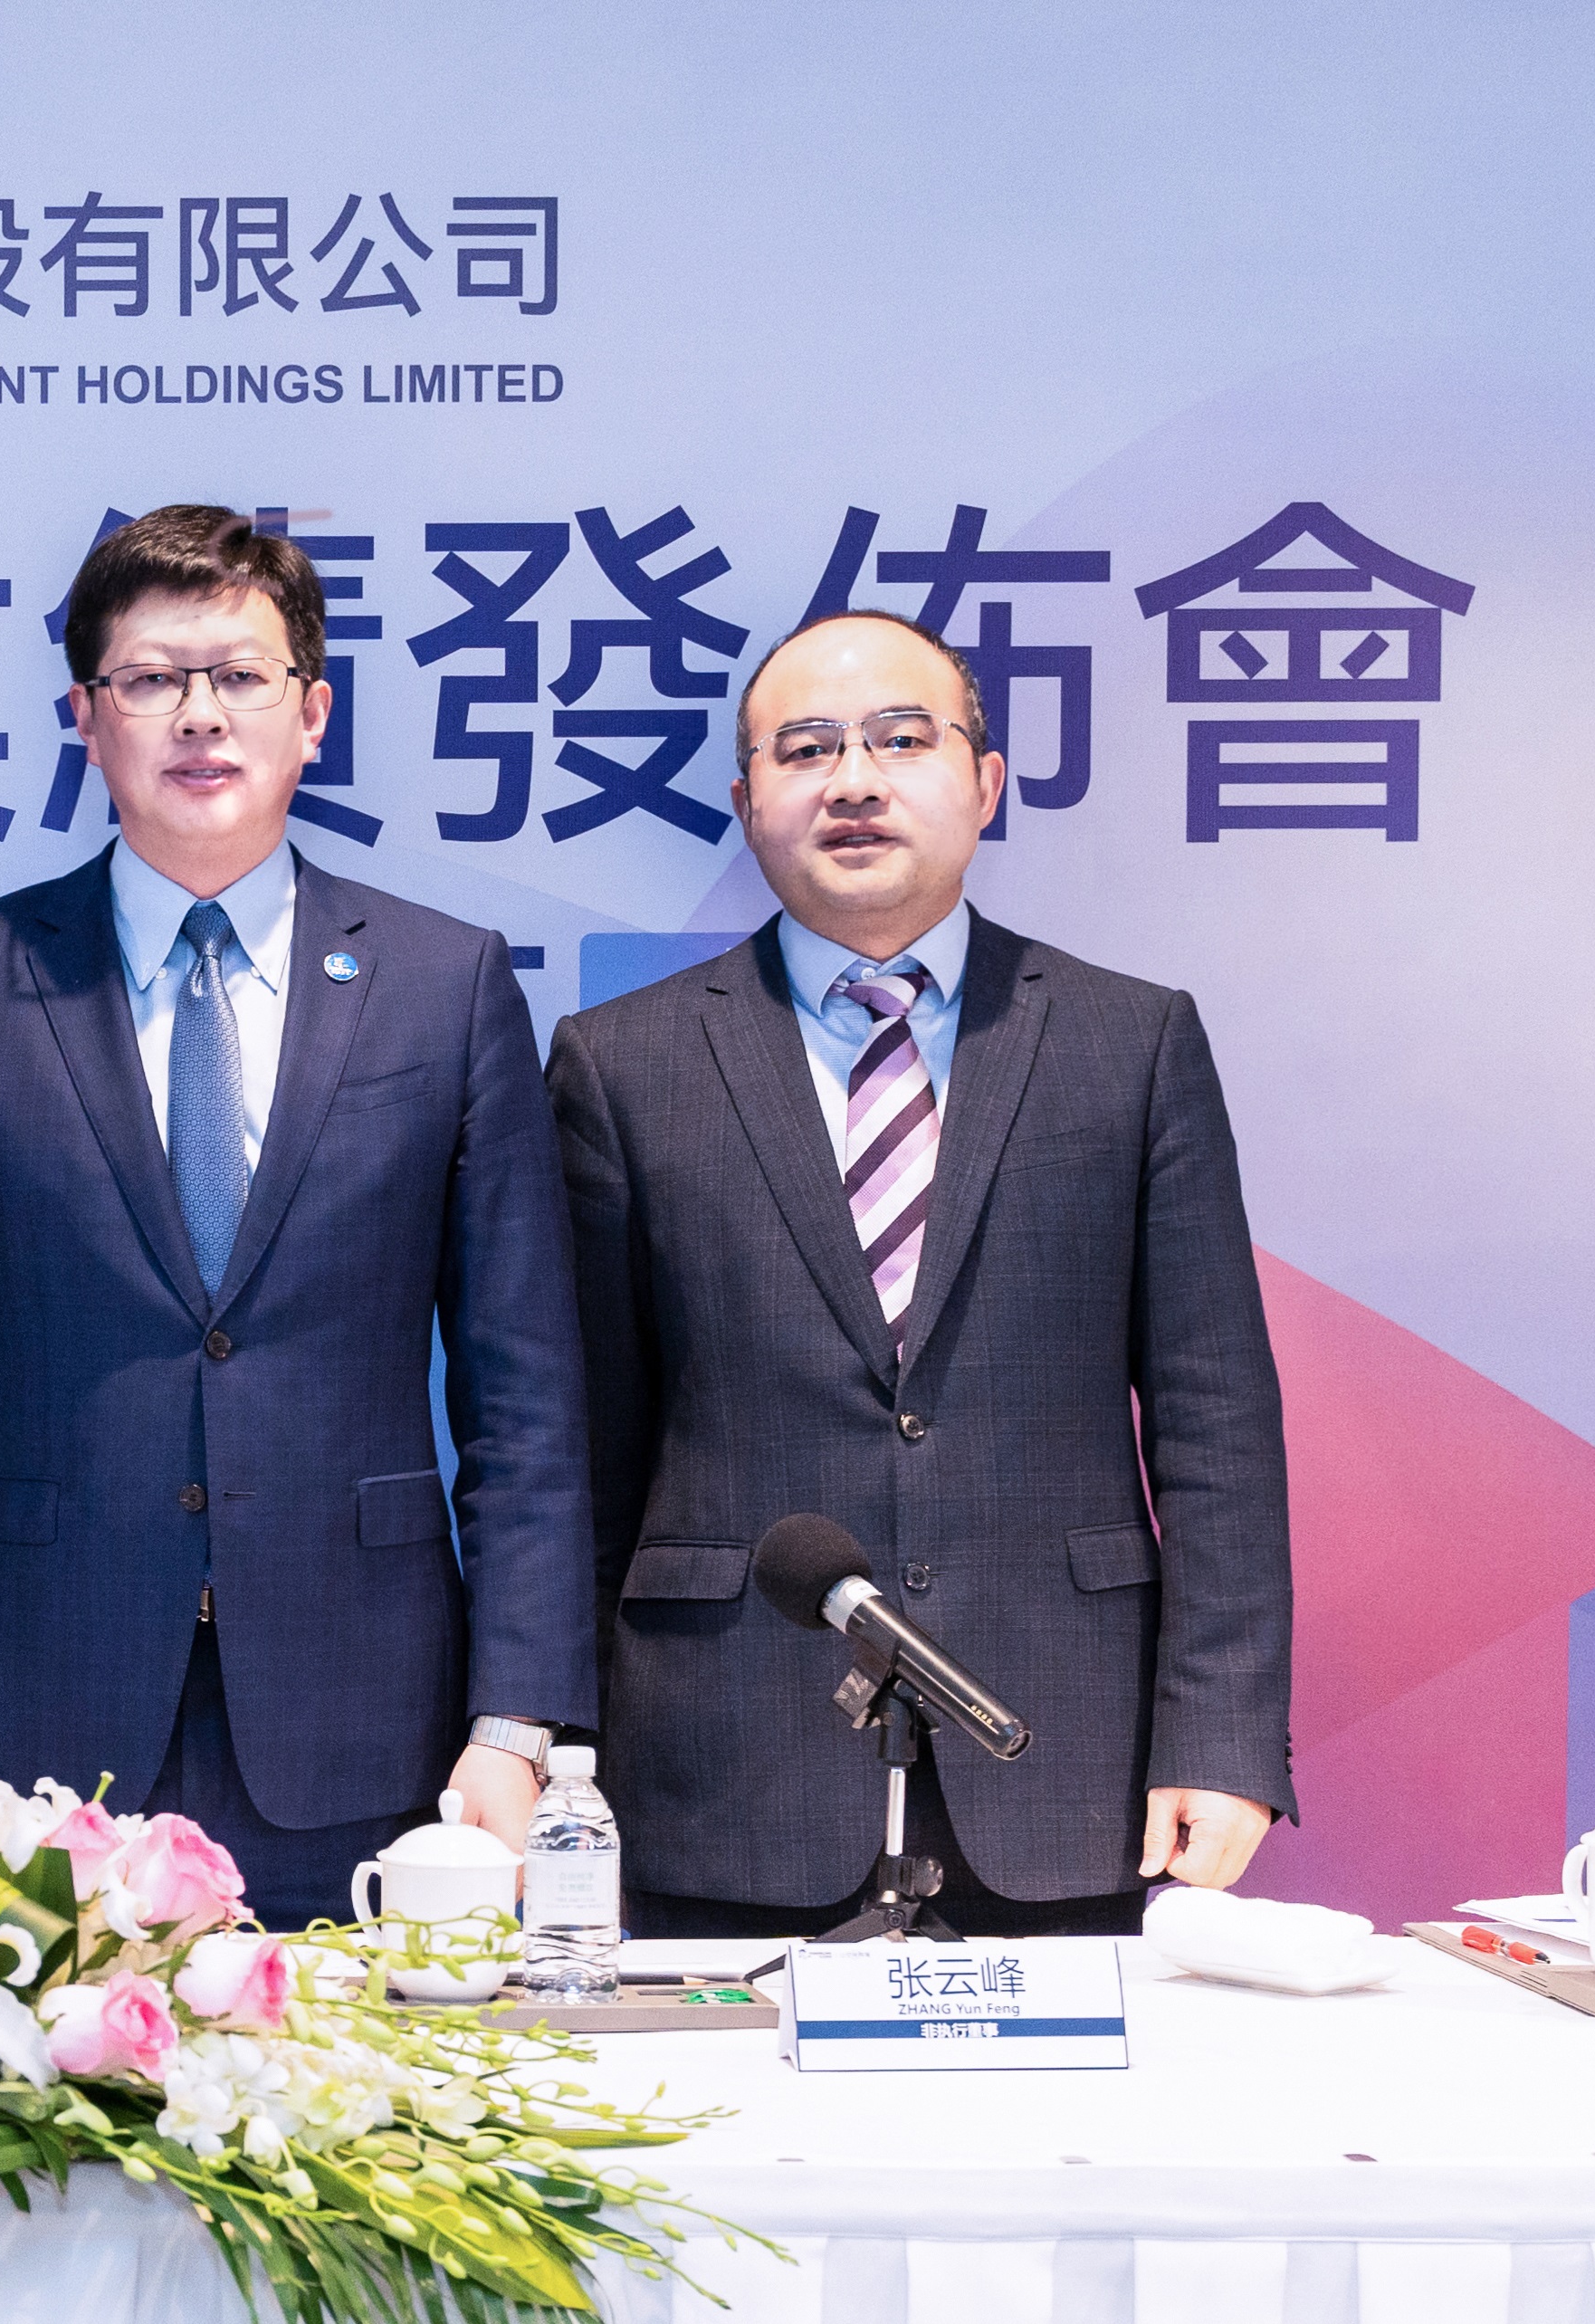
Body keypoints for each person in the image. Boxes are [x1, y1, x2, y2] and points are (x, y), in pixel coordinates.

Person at [0, 504, 593, 1929]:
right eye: (150, 679)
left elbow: (524, 1396)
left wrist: (515, 1722)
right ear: (84, 718)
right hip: (29, 1727)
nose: (198, 715)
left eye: (239, 676)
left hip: (370, 1714)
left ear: (312, 714)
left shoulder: (445, 984)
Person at [548, 607, 1294, 1937]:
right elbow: (579, 1451)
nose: (853, 781)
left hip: (1068, 1756)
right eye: (805, 750)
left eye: (901, 739)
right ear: (745, 802)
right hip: (725, 1765)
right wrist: (560, 1746)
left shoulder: (1129, 1043)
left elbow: (1215, 1422)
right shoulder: (622, 1064)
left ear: (984, 782)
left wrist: (1223, 1737)